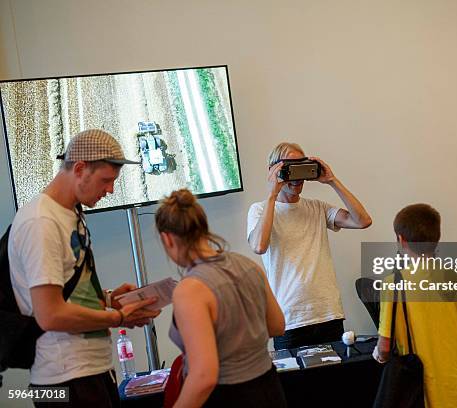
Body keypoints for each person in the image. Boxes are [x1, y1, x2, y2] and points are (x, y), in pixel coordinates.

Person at [8, 129, 161, 407]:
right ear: (79, 169)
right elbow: (50, 314)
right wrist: (115, 317)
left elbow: (68, 294)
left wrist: (110, 299)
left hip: (89, 373)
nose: (110, 190)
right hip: (64, 380)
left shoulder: (70, 213)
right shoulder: (41, 222)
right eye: (106, 180)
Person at [156, 189, 287, 408]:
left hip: (228, 396)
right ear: (203, 228)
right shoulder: (249, 265)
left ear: (167, 239)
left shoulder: (190, 290)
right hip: (269, 388)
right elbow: (277, 326)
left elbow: (204, 376)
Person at [247, 142, 372, 350]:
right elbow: (259, 246)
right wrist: (272, 194)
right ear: (275, 170)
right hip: (290, 320)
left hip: (328, 314)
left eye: (301, 168)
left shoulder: (317, 208)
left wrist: (332, 181)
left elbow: (363, 221)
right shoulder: (259, 210)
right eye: (290, 169)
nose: (297, 178)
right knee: (297, 383)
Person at [373, 204, 457, 408]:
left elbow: (385, 347)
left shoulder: (393, 284)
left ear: (401, 240)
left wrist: (379, 355)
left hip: (421, 391)